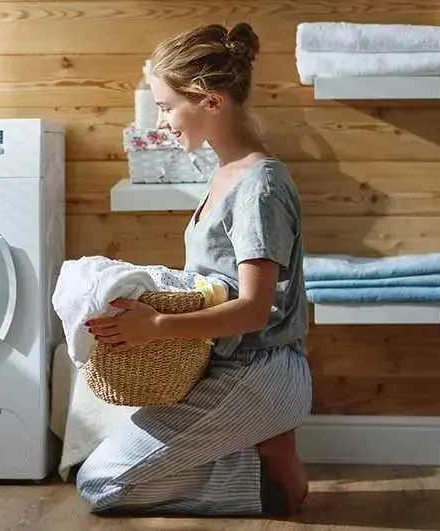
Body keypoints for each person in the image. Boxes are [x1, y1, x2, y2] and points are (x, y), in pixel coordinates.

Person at [81, 22, 312, 517]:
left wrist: (157, 327)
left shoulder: (258, 187)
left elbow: (252, 311)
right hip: (225, 365)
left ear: (210, 101)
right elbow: (215, 281)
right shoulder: (225, 173)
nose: (162, 121)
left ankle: (266, 474)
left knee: (101, 484)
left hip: (260, 370)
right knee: (101, 459)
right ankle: (252, 444)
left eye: (167, 107)